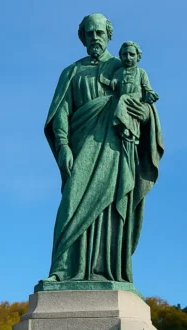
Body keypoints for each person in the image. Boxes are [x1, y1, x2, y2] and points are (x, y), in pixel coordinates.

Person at [43, 13, 163, 285]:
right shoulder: (71, 72)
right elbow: (61, 112)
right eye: (90, 33)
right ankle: (63, 269)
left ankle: (108, 270)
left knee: (112, 207)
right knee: (71, 204)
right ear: (82, 38)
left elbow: (147, 105)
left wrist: (145, 114)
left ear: (109, 35)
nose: (95, 38)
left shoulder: (125, 67)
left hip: (117, 149)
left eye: (99, 33)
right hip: (80, 148)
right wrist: (63, 146)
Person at [101, 41, 159, 143]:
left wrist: (151, 95)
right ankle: (124, 129)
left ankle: (119, 122)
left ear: (138, 56)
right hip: (124, 105)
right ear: (121, 56)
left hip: (134, 100)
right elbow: (114, 84)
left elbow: (147, 88)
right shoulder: (118, 72)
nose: (128, 57)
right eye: (125, 54)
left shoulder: (141, 72)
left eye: (132, 54)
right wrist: (110, 81)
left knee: (124, 98)